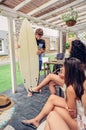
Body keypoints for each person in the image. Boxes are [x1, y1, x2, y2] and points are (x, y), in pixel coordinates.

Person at [22, 57, 86, 130]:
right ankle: (37, 120)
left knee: (53, 111)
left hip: (80, 123)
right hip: (80, 111)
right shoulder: (78, 81)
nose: (61, 68)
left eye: (63, 66)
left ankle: (39, 121)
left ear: (69, 70)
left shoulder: (70, 89)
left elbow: (73, 115)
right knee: (52, 99)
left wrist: (66, 107)